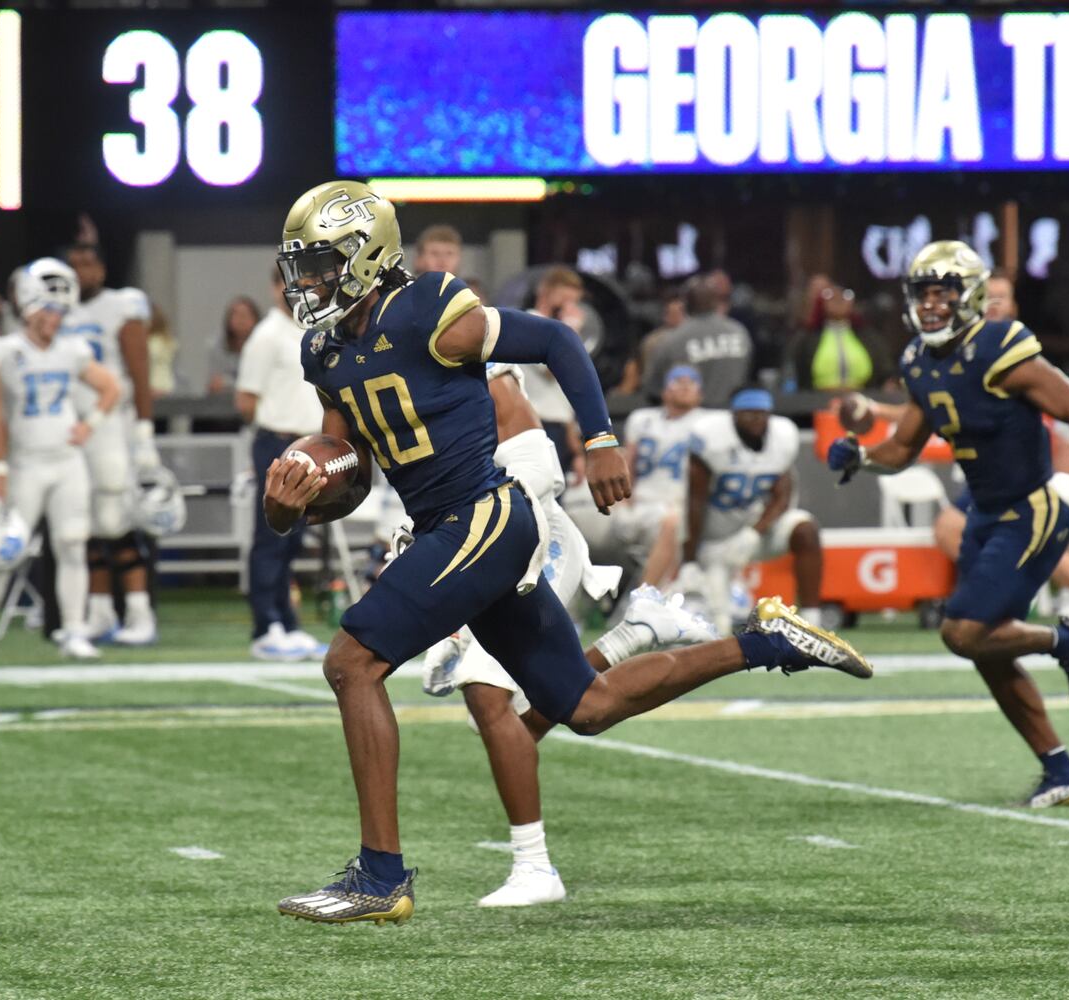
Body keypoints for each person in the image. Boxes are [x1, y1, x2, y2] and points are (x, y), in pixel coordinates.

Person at [264, 181, 871, 925]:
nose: (309, 280)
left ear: (365, 255)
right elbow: (351, 470)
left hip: (484, 515)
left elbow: (554, 340)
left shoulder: (426, 307)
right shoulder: (324, 349)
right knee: (585, 706)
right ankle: (765, 643)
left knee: (351, 662)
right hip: (449, 526)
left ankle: (380, 877)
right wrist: (292, 501)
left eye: (321, 263)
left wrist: (601, 438)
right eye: (304, 265)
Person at [419, 360, 713, 907]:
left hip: (525, 529)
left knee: (489, 701)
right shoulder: (370, 372)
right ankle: (633, 634)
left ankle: (534, 867)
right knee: (517, 720)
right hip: (471, 535)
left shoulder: (464, 353)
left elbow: (537, 462)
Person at [829, 240, 1069, 808]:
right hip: (983, 513)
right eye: (922, 294)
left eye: (943, 293)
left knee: (962, 632)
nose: (931, 304)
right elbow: (903, 447)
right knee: (983, 647)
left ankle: (1065, 639)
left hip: (1029, 509)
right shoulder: (919, 359)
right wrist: (862, 456)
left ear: (971, 296)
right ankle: (1061, 769)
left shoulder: (1000, 347)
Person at [0, 259, 121, 662]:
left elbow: (111, 387)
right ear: (27, 307)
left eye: (59, 311)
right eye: (48, 310)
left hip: (67, 461)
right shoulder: (6, 351)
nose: (54, 318)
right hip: (26, 463)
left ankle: (74, 631)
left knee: (72, 544)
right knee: (4, 552)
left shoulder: (72, 350)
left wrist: (89, 425)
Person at [63, 241, 159, 645]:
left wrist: (144, 431)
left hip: (113, 427)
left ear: (102, 269)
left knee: (116, 521)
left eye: (88, 263)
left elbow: (139, 371)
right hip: (72, 430)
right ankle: (100, 612)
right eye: (74, 264)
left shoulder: (121, 305)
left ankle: (139, 612)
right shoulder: (58, 311)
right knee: (83, 525)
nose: (81, 272)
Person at [235, 269, 324, 660]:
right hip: (279, 442)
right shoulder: (267, 336)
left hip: (309, 446)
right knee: (271, 537)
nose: (300, 293)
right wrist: (275, 432)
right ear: (275, 287)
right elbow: (246, 400)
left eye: (307, 285)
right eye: (292, 285)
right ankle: (265, 626)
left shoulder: (314, 329)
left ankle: (286, 622)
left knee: (292, 540)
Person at [683, 388, 824, 635]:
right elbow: (695, 500)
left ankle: (813, 622)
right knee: (717, 628)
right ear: (734, 415)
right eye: (748, 413)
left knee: (806, 530)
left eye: (762, 413)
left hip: (754, 528)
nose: (756, 420)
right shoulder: (711, 438)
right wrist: (690, 558)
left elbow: (783, 494)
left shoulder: (782, 436)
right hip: (713, 539)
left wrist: (754, 532)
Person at [606, 365, 705, 587]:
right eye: (678, 381)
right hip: (642, 501)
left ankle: (647, 593)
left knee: (671, 524)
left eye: (691, 382)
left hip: (679, 505)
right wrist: (623, 503)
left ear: (701, 393)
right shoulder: (642, 419)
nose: (685, 386)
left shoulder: (709, 424)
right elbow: (628, 465)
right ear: (664, 391)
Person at [518, 267, 589, 476]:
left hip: (560, 425)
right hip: (534, 422)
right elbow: (552, 370)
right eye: (565, 300)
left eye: (574, 302)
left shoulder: (562, 331)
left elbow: (566, 386)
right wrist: (571, 331)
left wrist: (574, 442)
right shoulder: (529, 322)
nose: (569, 308)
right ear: (545, 291)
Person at [642, 276, 751, 407]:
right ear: (716, 302)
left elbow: (652, 389)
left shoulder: (672, 340)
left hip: (689, 414)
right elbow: (748, 374)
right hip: (733, 413)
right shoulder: (739, 332)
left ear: (685, 304)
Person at [788, 284, 892, 391]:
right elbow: (796, 373)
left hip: (863, 396)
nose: (838, 300)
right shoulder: (808, 339)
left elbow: (885, 372)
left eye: (845, 296)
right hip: (817, 397)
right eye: (830, 296)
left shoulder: (869, 337)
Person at [207, 296, 259, 395]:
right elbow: (216, 383)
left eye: (245, 315)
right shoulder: (218, 346)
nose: (241, 320)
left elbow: (259, 384)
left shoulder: (263, 344)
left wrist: (228, 384)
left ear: (255, 319)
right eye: (236, 315)